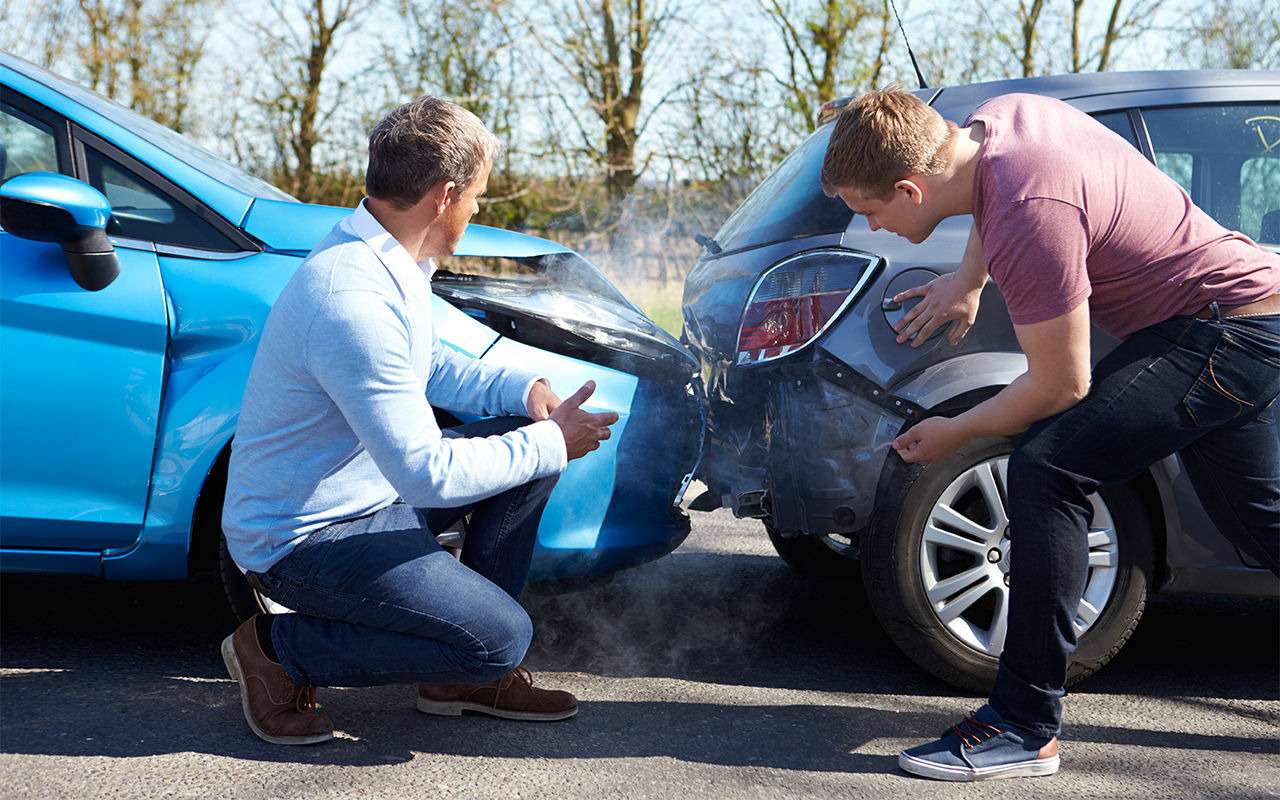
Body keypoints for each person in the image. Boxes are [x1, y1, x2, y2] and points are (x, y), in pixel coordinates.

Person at [820, 88, 1280, 781]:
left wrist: (957, 432)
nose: (873, 226)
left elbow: (1061, 385)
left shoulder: (1030, 211)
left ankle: (1022, 724)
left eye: (871, 211)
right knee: (1261, 523)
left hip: (1223, 331)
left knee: (1048, 468)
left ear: (912, 188)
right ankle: (1022, 721)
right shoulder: (1000, 123)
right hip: (1245, 314)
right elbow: (992, 192)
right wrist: (970, 278)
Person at [220, 95, 618, 745]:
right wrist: (549, 442)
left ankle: (458, 676)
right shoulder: (351, 297)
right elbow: (426, 474)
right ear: (445, 195)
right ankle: (276, 648)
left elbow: (428, 362)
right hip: (303, 539)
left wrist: (526, 391)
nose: (477, 210)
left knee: (521, 451)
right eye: (478, 197)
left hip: (366, 497)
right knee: (501, 637)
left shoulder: (383, 256)